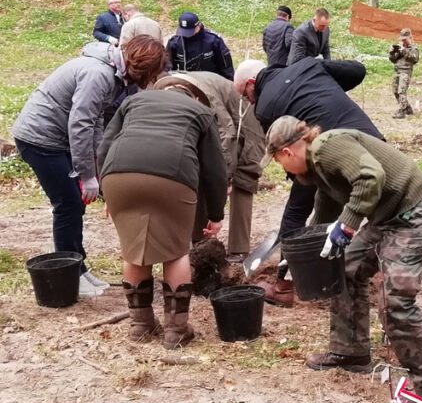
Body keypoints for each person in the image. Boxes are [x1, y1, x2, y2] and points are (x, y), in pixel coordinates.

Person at [264, 116, 422, 403]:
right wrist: (302, 256)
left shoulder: (328, 146)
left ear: (287, 152)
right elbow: (326, 211)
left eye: (279, 162)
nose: (283, 170)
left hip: (418, 213)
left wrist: (346, 227)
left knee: (395, 301)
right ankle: (350, 352)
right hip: (389, 219)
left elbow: (370, 177)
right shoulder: (319, 166)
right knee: (343, 268)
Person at [12, 36, 168, 296]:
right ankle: (70, 272)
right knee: (68, 205)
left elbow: (95, 121)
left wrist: (96, 164)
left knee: (72, 204)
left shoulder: (112, 74)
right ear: (143, 66)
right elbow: (80, 123)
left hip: (57, 138)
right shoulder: (99, 74)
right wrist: (87, 176)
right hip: (39, 138)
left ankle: (79, 267)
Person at [233, 57, 382, 306]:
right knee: (380, 208)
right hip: (369, 141)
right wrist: (323, 85)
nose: (250, 102)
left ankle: (283, 287)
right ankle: (382, 275)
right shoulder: (309, 66)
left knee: (295, 213)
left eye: (246, 96)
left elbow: (287, 155)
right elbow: (358, 70)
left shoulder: (265, 107)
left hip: (323, 151)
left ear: (251, 84)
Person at [99, 86, 227, 349]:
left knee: (133, 251)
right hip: (174, 174)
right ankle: (176, 330)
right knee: (177, 252)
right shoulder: (200, 111)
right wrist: (215, 213)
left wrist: (107, 194)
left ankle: (140, 326)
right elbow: (215, 169)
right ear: (193, 97)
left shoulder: (134, 101)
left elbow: (105, 146)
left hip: (119, 173)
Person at [154, 72, 265, 260]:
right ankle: (200, 241)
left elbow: (227, 133)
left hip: (242, 118)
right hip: (219, 124)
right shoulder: (165, 99)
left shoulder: (204, 96)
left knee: (244, 175)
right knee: (198, 175)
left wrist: (224, 179)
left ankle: (239, 248)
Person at [167, 12, 235, 80]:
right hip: (187, 81)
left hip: (210, 81)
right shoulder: (174, 43)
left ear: (198, 26)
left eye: (189, 31)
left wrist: (229, 82)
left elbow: (226, 66)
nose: (185, 35)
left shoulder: (214, 40)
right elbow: (168, 66)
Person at [389, 28, 419, 119]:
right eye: (402, 39)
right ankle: (407, 108)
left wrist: (404, 51)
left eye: (405, 39)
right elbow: (393, 60)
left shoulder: (414, 48)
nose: (403, 41)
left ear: (410, 37)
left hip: (405, 72)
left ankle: (402, 110)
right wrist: (392, 53)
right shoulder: (400, 47)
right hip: (397, 70)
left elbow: (415, 59)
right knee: (395, 91)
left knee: (401, 91)